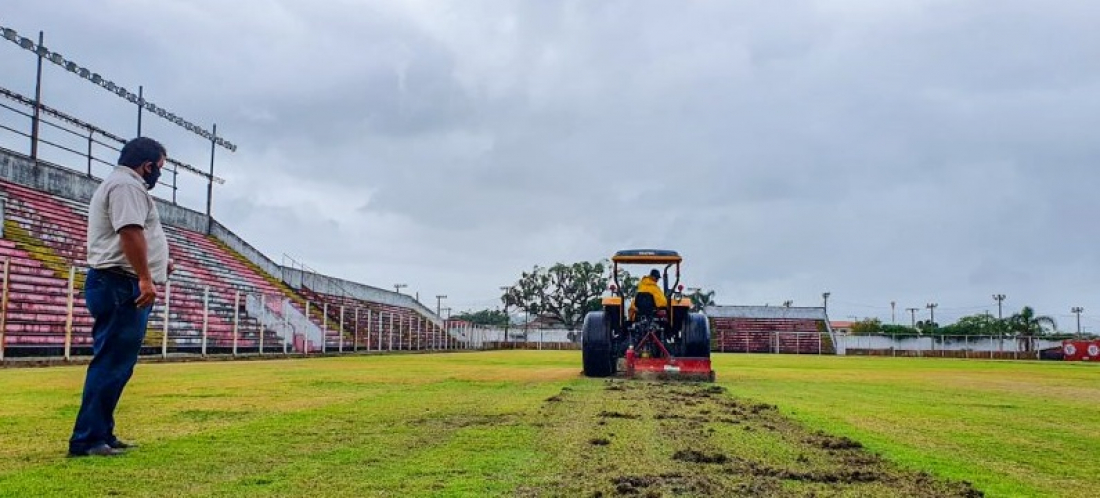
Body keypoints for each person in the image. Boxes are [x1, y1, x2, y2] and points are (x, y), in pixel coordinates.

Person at [68, 137, 173, 457]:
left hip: (118, 281)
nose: (158, 175)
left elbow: (131, 234)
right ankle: (87, 439)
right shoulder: (127, 186)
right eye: (160, 168)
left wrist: (158, 263)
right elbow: (129, 230)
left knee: (118, 363)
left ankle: (100, 432)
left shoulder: (123, 184)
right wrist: (145, 277)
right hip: (119, 283)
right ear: (148, 165)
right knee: (112, 362)